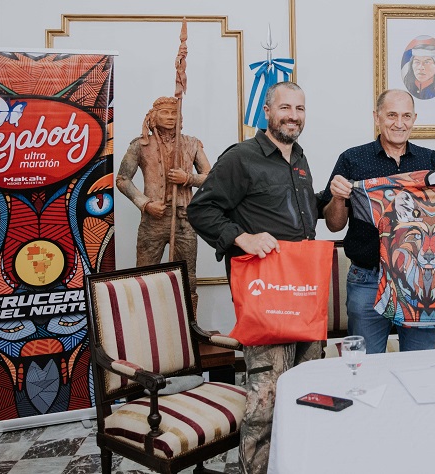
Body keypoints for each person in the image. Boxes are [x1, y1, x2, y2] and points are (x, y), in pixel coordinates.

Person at [187, 82, 321, 472]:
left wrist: (332, 197)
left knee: (305, 390)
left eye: (299, 108)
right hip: (266, 293)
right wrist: (242, 237)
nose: (293, 116)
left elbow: (299, 215)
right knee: (266, 398)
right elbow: (201, 210)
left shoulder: (300, 159)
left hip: (303, 290)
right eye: (285, 107)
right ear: (267, 111)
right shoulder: (241, 157)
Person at [321, 89, 435, 353]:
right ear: (377, 117)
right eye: (391, 115)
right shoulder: (352, 159)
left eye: (406, 116)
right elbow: (334, 225)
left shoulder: (431, 160)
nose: (399, 123)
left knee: (420, 363)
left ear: (414, 119)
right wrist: (338, 197)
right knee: (366, 365)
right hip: (368, 279)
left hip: (420, 280)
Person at [116, 96, 210, 309]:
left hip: (184, 221)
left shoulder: (191, 144)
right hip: (153, 221)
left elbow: (210, 177)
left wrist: (188, 178)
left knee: (187, 277)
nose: (170, 117)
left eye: (174, 113)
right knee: (144, 276)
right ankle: (144, 320)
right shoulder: (141, 145)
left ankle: (188, 324)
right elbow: (122, 179)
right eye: (165, 113)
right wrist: (145, 204)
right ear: (153, 116)